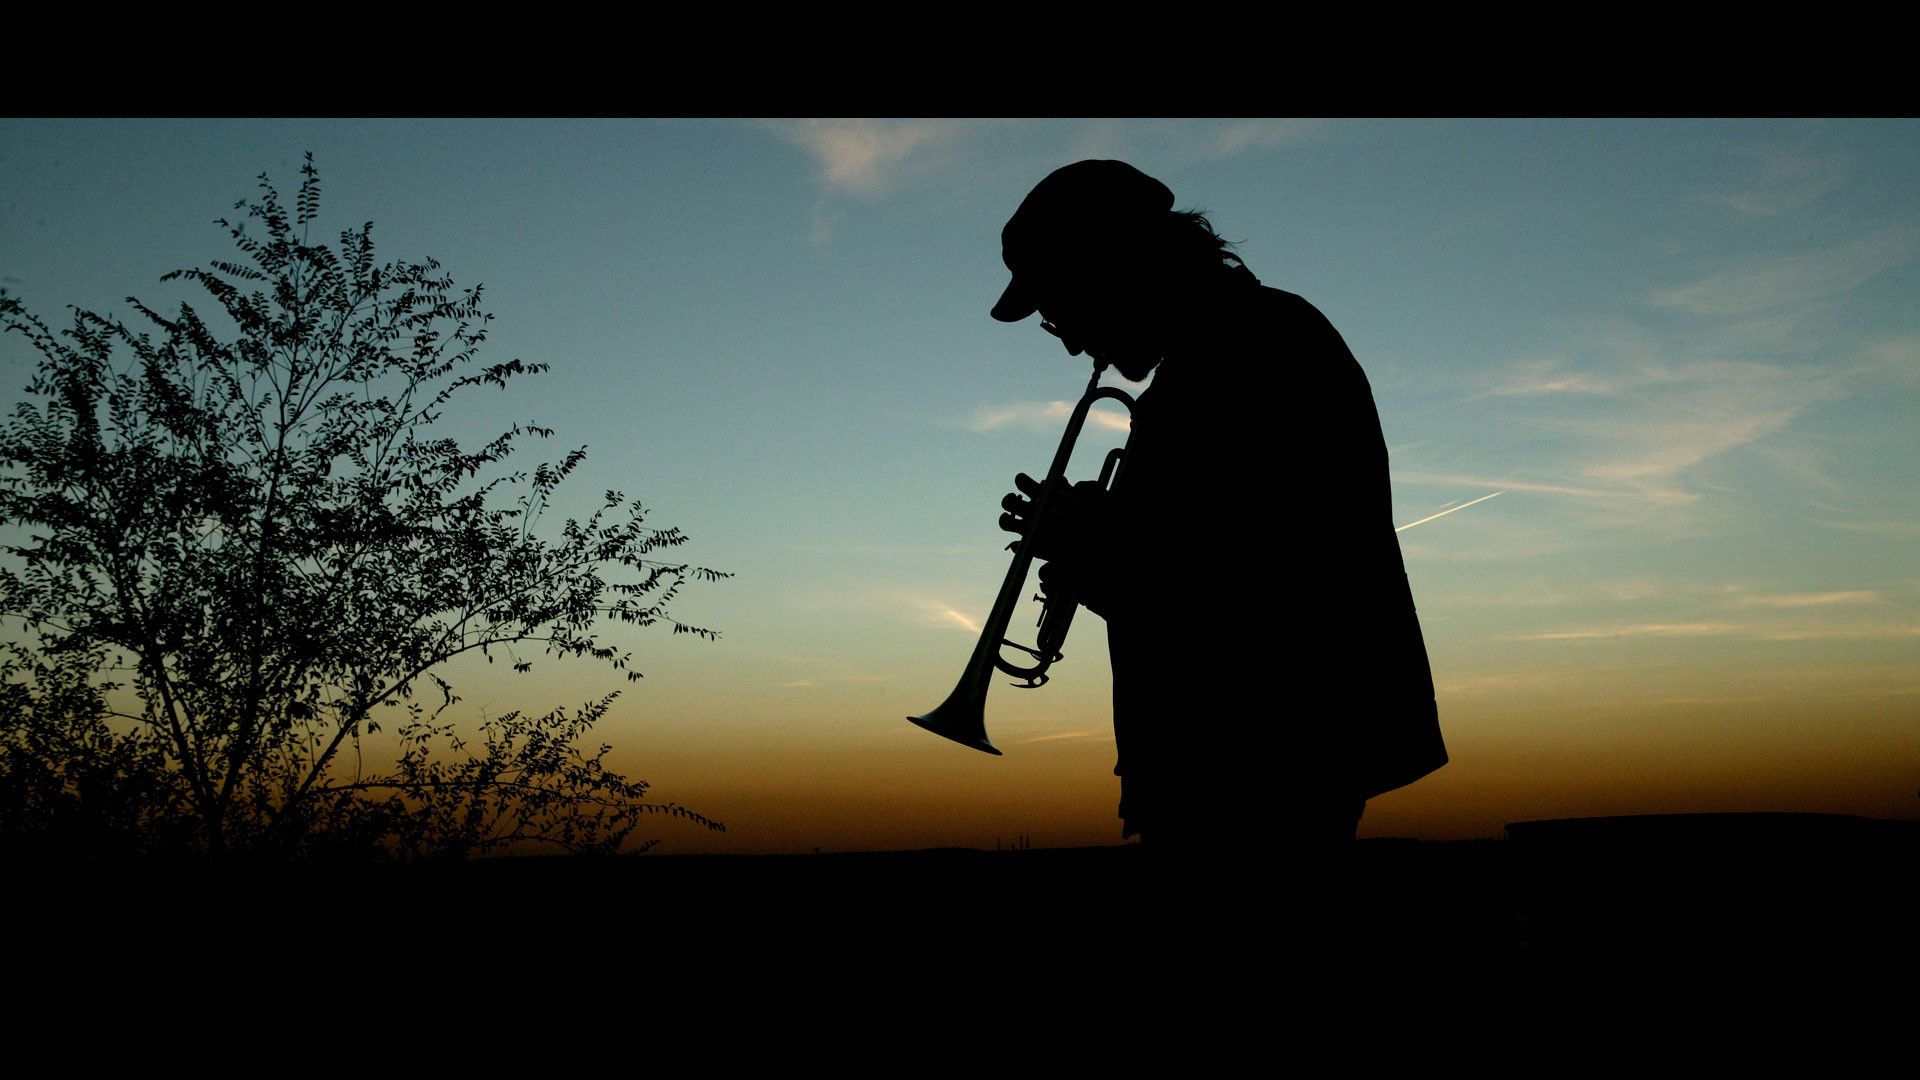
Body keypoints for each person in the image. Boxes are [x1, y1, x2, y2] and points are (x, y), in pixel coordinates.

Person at [991, 161, 1447, 858]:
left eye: (1063, 309)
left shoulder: (1251, 352)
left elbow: (1253, 590)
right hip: (1238, 762)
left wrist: (1094, 549)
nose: (1077, 342)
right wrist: (1100, 542)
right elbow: (1199, 558)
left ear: (1114, 267)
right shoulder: (1226, 351)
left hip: (1258, 763)